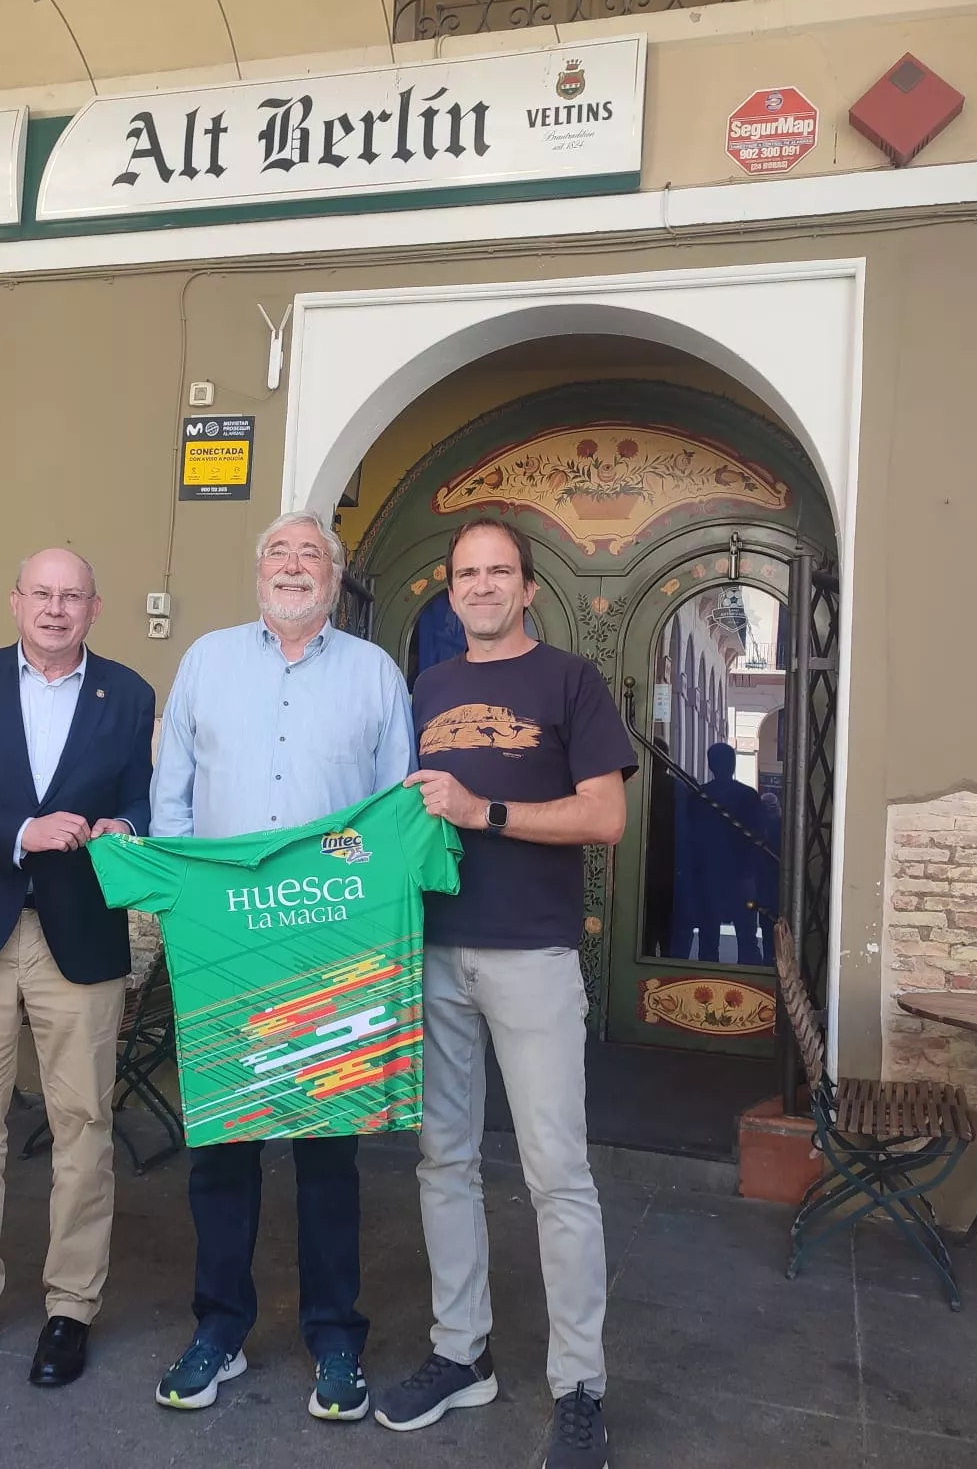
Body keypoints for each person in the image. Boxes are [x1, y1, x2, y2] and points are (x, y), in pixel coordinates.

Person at [376, 516, 636, 1469]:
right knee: (442, 1161)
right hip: (433, 952)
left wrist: (484, 811)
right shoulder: (430, 688)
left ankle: (579, 1386)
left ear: (528, 589)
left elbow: (605, 815)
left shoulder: (570, 681)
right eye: (466, 573)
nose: (482, 585)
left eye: (500, 572)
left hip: (530, 955)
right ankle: (460, 1353)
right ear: (450, 593)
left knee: (555, 1174)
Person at [149, 508, 415, 1420]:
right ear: (258, 570)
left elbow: (393, 815)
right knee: (221, 1149)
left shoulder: (377, 675)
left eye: (312, 555)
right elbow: (170, 789)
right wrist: (177, 896)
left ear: (335, 582)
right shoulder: (206, 663)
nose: (295, 565)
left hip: (327, 947)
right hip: (224, 939)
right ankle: (218, 1330)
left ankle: (336, 1340)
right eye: (280, 552)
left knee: (326, 1151)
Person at [0, 548, 156, 1389]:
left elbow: (152, 796)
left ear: (95, 607)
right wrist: (21, 832)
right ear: (15, 603)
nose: (55, 609)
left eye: (71, 596)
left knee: (83, 1127)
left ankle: (69, 1309)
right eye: (41, 594)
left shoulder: (130, 694)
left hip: (78, 936)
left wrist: (124, 823)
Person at [687, 742, 766, 964]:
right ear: (733, 764)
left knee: (708, 939)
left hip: (708, 877)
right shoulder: (749, 796)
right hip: (742, 876)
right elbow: (760, 836)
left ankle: (706, 983)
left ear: (711, 764)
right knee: (747, 938)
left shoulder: (699, 796)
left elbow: (691, 837)